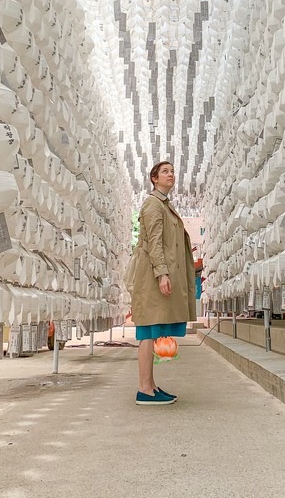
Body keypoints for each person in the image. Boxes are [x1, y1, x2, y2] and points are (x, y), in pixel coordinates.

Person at [128, 161, 196, 406]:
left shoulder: (163, 205)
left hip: (156, 274)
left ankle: (151, 386)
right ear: (154, 178)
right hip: (152, 276)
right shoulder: (153, 204)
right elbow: (155, 242)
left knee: (152, 329)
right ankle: (144, 389)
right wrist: (162, 273)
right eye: (165, 171)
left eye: (173, 171)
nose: (171, 174)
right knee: (147, 331)